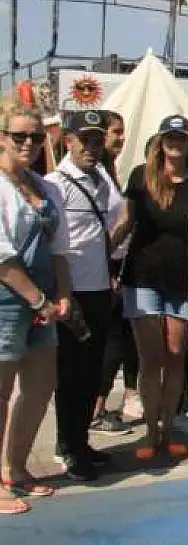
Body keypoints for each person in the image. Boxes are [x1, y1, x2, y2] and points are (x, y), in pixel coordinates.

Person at [110, 115, 188, 459]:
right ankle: (149, 432)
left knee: (175, 357)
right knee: (149, 358)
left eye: (181, 138)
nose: (175, 143)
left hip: (185, 280)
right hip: (142, 277)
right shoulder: (141, 176)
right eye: (169, 137)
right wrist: (102, 256)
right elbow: (126, 223)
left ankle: (168, 429)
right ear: (160, 141)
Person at [0, 100, 72, 514]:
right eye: (19, 136)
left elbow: (59, 248)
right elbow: (4, 259)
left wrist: (62, 295)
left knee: (40, 388)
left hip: (43, 303)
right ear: (3, 138)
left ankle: (17, 468)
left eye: (34, 135)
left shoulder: (44, 187)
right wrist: (40, 299)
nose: (28, 142)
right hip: (8, 302)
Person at [45, 111, 124, 481]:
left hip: (98, 290)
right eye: (85, 140)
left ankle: (81, 440)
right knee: (71, 375)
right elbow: (54, 244)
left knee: (92, 373)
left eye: (96, 140)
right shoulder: (54, 185)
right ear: (68, 140)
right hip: (70, 292)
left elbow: (103, 233)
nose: (92, 148)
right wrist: (61, 293)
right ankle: (68, 447)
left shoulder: (101, 182)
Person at [92, 109, 141, 431]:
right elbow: (102, 228)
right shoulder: (98, 173)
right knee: (109, 343)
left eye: (122, 132)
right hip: (101, 264)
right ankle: (94, 411)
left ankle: (99, 407)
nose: (120, 139)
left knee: (117, 341)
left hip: (112, 262)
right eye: (115, 132)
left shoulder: (109, 171)